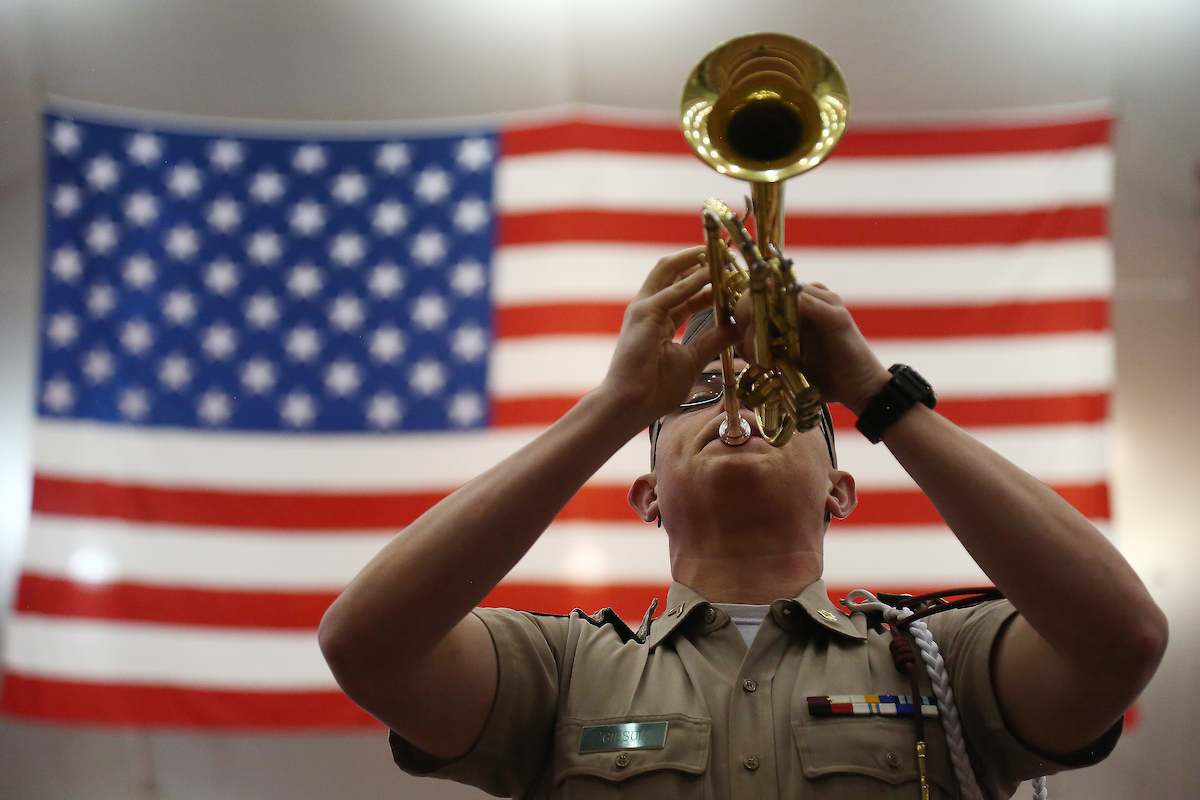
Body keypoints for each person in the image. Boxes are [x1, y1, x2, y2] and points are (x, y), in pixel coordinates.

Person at [318, 246, 1167, 799]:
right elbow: (366, 643)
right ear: (648, 497)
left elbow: (1122, 638)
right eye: (691, 400)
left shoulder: (942, 659)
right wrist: (617, 406)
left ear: (839, 491)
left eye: (785, 403)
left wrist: (878, 396)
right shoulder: (566, 667)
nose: (733, 401)